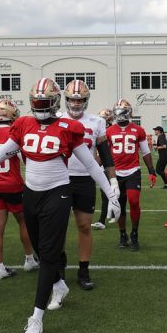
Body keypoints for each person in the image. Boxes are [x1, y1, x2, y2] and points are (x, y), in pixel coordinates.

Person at [0, 77, 119, 333]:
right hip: (31, 194)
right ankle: (59, 284)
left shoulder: (68, 127)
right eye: (37, 102)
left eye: (45, 103)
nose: (40, 107)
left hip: (58, 193)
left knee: (47, 255)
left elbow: (92, 166)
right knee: (40, 249)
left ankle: (36, 318)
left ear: (55, 102)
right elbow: (0, 154)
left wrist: (110, 192)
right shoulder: (23, 123)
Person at [59, 80, 117, 290]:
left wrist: (112, 181)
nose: (76, 103)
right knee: (59, 228)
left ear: (86, 100)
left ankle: (83, 270)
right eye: (73, 99)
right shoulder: (56, 119)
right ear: (66, 100)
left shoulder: (96, 121)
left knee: (84, 226)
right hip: (60, 180)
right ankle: (60, 270)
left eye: (80, 99)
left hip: (85, 179)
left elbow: (105, 154)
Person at [0, 100, 37, 279]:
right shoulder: (14, 133)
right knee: (23, 222)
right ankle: (29, 259)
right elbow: (25, 160)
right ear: (10, 113)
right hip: (13, 185)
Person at [104, 99, 156, 251]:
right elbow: (104, 153)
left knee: (133, 202)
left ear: (129, 112)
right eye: (118, 111)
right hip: (115, 173)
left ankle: (134, 233)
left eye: (122, 111)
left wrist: (151, 170)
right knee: (119, 205)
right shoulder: (109, 131)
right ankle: (122, 234)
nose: (120, 115)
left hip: (133, 171)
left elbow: (145, 152)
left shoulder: (138, 130)